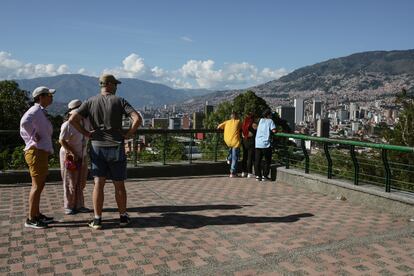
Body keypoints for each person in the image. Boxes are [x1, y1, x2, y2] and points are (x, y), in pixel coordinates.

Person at [69, 74, 142, 230]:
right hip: (116, 146)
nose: (116, 87)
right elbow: (137, 118)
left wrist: (86, 133)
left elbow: (72, 120)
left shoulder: (90, 101)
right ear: (109, 84)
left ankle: (97, 220)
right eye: (115, 84)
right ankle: (123, 217)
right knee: (119, 185)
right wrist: (129, 133)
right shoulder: (120, 101)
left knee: (98, 184)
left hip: (97, 147)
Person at [20, 86, 56, 229]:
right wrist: (33, 136)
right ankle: (31, 218)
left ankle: (36, 214)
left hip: (40, 152)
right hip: (36, 152)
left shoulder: (40, 111)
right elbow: (24, 123)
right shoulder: (35, 111)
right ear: (41, 97)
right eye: (49, 95)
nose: (51, 97)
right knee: (36, 185)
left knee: (40, 185)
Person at [59, 99, 91, 215]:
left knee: (81, 181)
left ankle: (79, 204)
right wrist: (72, 152)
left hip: (82, 154)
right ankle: (69, 205)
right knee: (70, 182)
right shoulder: (67, 124)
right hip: (70, 156)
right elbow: (61, 140)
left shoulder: (86, 121)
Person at [217, 111, 242, 177]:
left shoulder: (227, 122)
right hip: (235, 142)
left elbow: (219, 126)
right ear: (236, 116)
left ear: (231, 116)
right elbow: (242, 128)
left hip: (228, 141)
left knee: (231, 152)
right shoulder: (238, 121)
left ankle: (228, 158)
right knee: (235, 157)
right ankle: (232, 172)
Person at [254, 109, 277, 182]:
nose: (271, 116)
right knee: (267, 160)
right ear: (268, 115)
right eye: (270, 114)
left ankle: (258, 175)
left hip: (258, 143)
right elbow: (274, 130)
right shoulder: (270, 121)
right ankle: (265, 176)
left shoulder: (260, 120)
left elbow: (255, 127)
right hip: (265, 143)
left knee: (257, 160)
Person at [241, 112, 257, 178]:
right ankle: (249, 172)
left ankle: (243, 172)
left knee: (244, 157)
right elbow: (258, 131)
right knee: (250, 157)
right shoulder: (254, 124)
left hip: (244, 141)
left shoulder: (244, 123)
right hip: (251, 142)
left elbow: (242, 133)